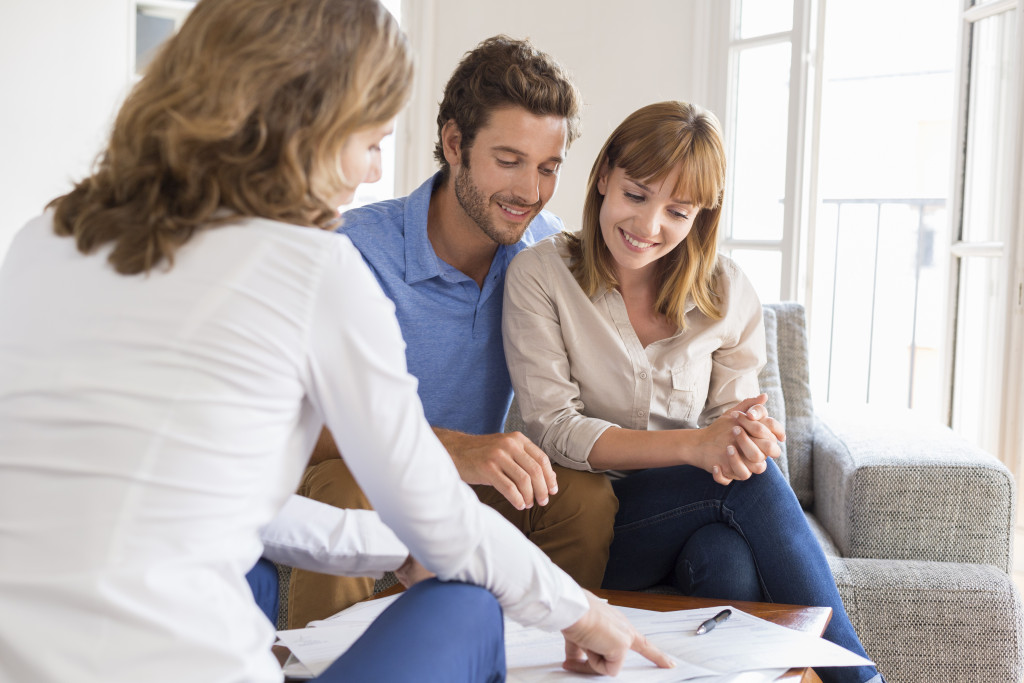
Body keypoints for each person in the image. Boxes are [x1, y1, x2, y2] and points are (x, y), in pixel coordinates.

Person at [0, 1, 674, 681]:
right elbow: (435, 515)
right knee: (468, 605)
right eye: (370, 139)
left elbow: (223, 501)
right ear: (305, 127)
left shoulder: (46, 239)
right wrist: (585, 614)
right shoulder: (314, 267)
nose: (371, 171)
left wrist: (386, 546)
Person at [502, 101, 885, 683]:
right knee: (744, 490)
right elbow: (555, 428)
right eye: (635, 195)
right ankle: (859, 678)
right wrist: (698, 448)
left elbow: (732, 417)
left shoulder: (726, 291)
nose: (648, 226)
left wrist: (746, 437)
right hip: (587, 524)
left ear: (702, 215)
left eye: (677, 211)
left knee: (726, 562)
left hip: (691, 518)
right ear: (604, 176)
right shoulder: (540, 275)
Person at [284, 35, 621, 629]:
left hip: (473, 486)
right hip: (368, 480)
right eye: (509, 160)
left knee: (583, 500)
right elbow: (296, 428)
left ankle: (540, 657)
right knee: (344, 487)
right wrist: (454, 448)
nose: (530, 192)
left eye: (548, 168)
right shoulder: (353, 251)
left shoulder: (544, 250)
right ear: (453, 144)